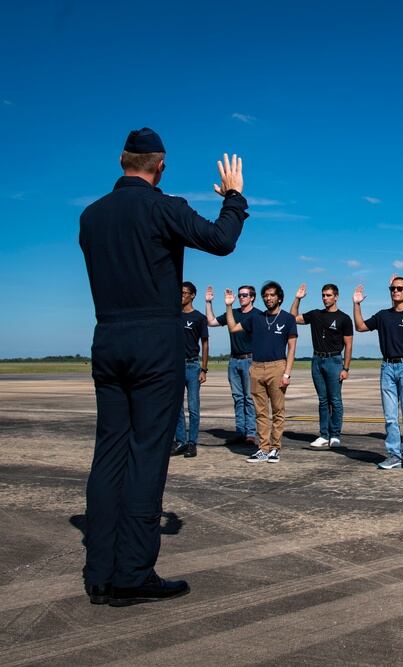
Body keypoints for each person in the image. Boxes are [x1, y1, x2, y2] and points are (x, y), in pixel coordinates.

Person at [79, 127, 245, 606]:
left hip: (107, 337)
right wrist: (234, 198)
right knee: (148, 454)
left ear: (121, 160)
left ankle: (100, 571)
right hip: (154, 338)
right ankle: (131, 574)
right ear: (160, 166)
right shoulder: (162, 206)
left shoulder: (91, 217)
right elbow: (220, 239)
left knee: (109, 452)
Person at [353, 276, 403, 471]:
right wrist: (357, 305)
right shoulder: (382, 315)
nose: (396, 291)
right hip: (387, 367)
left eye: (400, 288)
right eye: (393, 288)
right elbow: (360, 327)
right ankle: (394, 455)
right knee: (390, 416)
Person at [224, 282, 297, 463]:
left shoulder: (288, 319)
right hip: (256, 367)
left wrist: (286, 374)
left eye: (272, 295)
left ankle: (275, 449)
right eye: (265, 295)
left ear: (279, 298)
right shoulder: (256, 318)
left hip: (277, 367)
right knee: (260, 411)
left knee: (278, 410)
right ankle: (263, 448)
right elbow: (233, 328)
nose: (268, 298)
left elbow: (292, 349)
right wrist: (228, 306)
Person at [291, 283, 354, 449]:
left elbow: (348, 345)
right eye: (323, 295)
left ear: (336, 296)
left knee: (335, 400)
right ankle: (324, 435)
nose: (325, 298)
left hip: (334, 361)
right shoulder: (315, 314)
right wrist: (297, 298)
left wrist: (345, 368)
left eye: (329, 295)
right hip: (317, 360)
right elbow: (293, 318)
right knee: (323, 400)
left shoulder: (344, 318)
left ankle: (335, 435)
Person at [205, 284, 258, 447]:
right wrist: (208, 303)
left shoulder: (258, 315)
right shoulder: (232, 313)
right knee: (238, 398)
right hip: (234, 361)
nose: (242, 297)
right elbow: (211, 322)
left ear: (252, 297)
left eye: (245, 295)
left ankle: (250, 433)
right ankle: (240, 432)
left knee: (249, 398)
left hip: (250, 360)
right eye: (240, 295)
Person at [172, 282, 209, 458]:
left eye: (185, 293)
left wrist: (204, 369)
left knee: (193, 407)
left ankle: (192, 443)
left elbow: (205, 343)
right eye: (180, 293)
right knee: (177, 407)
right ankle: (181, 441)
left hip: (193, 366)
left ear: (193, 295)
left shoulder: (199, 317)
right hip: (175, 366)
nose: (182, 296)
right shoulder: (173, 316)